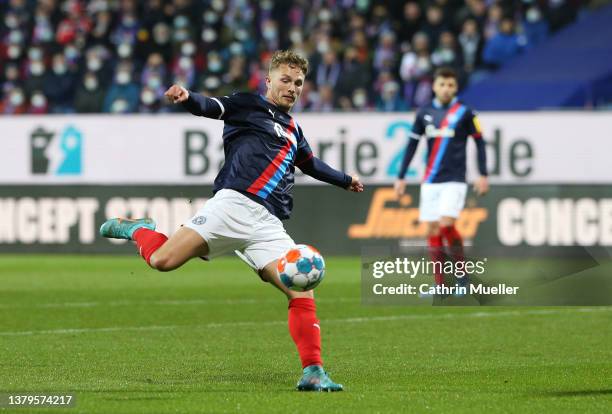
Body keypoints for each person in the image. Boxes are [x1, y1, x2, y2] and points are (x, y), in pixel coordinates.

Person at [99, 50, 363, 391]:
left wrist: (345, 179)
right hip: (233, 205)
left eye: (298, 83)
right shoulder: (248, 105)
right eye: (285, 80)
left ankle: (313, 371)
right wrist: (187, 97)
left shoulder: (294, 130)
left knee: (301, 291)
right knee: (162, 261)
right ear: (269, 81)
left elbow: (310, 164)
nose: (293, 88)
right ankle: (139, 230)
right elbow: (211, 106)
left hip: (268, 224)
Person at [394, 67, 488, 288]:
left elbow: (480, 142)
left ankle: (462, 276)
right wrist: (401, 177)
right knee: (432, 229)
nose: (446, 89)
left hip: (455, 179)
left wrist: (483, 174)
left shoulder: (465, 112)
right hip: (430, 180)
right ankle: (440, 284)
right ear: (434, 86)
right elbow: (412, 145)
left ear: (456, 88)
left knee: (446, 225)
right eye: (442, 84)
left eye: (451, 85)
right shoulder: (423, 113)